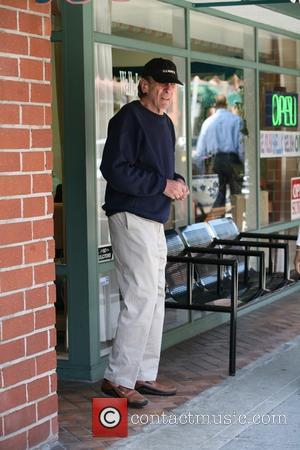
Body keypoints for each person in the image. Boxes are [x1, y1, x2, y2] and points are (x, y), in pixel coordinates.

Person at [100, 58, 189, 408]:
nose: (168, 90)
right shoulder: (127, 118)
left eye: (172, 86)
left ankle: (142, 374)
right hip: (129, 214)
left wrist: (176, 181)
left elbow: (160, 172)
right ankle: (117, 378)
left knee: (154, 293)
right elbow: (114, 169)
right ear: (144, 84)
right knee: (139, 296)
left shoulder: (165, 124)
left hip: (153, 217)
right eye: (162, 84)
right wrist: (161, 184)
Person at [195, 94, 244, 208]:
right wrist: (243, 164)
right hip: (233, 159)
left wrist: (202, 171)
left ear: (214, 106)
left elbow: (200, 151)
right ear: (226, 105)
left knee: (217, 196)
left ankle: (218, 223)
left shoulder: (208, 122)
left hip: (216, 160)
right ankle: (237, 223)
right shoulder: (236, 120)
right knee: (236, 196)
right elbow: (241, 146)